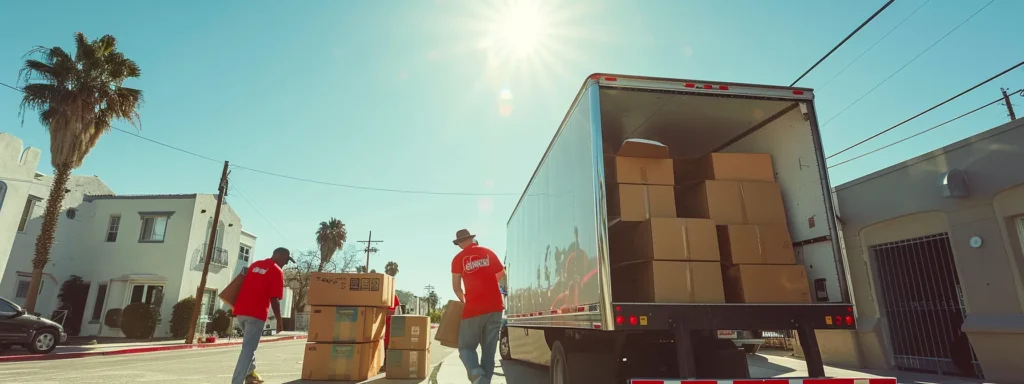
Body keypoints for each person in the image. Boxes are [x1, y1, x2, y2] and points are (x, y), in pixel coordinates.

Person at [231, 247, 293, 384]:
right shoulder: (276, 270)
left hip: (241, 311)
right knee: (248, 349)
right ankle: (237, 381)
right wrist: (279, 319)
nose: (286, 263)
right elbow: (274, 298)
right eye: (286, 259)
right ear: (278, 255)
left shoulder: (255, 265)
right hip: (256, 313)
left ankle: (251, 375)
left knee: (248, 345)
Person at [450, 229, 505, 384]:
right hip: (495, 307)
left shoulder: (458, 259)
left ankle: (478, 376)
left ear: (460, 243)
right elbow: (501, 273)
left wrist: (465, 300)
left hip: (473, 309)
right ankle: (483, 380)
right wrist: (488, 282)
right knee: (489, 352)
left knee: (466, 347)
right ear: (472, 239)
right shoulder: (488, 252)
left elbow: (456, 288)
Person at [381, 292, 401, 370]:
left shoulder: (392, 295)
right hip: (378, 324)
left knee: (388, 344)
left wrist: (384, 312)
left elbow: (397, 312)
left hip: (389, 324)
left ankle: (387, 362)